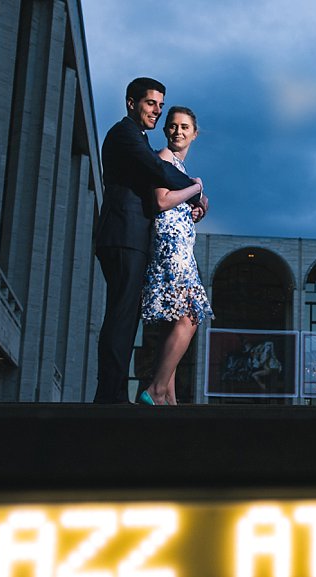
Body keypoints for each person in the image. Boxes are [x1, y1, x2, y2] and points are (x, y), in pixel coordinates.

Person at [93, 78, 206, 404]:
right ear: (131, 103)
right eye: (150, 104)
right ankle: (113, 397)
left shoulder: (137, 137)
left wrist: (191, 201)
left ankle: (145, 393)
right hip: (123, 235)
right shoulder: (126, 134)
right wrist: (196, 188)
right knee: (122, 318)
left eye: (160, 104)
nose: (157, 110)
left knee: (127, 318)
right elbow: (158, 172)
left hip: (130, 236)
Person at [139, 107, 214, 405]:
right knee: (190, 316)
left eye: (184, 127)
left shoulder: (178, 168)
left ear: (194, 134)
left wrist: (193, 208)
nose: (177, 131)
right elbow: (161, 200)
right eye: (172, 126)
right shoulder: (164, 158)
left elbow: (174, 204)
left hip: (181, 246)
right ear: (165, 130)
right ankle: (156, 390)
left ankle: (168, 396)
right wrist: (196, 188)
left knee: (175, 323)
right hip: (171, 249)